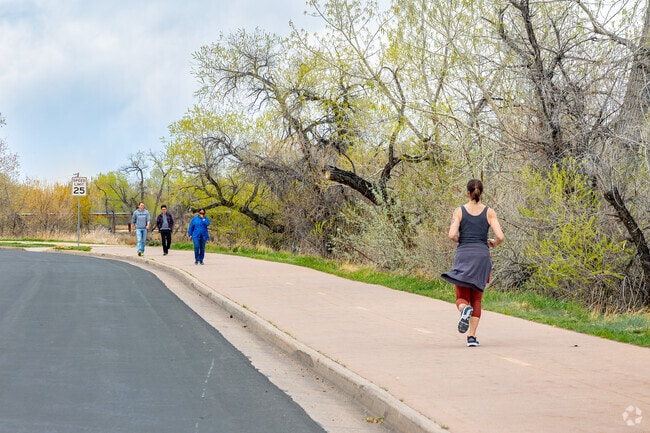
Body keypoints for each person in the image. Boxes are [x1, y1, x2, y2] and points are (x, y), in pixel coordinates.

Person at [441, 179, 504, 347]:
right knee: (476, 298)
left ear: (467, 193)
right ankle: (472, 337)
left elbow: (451, 235)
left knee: (462, 297)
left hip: (464, 255)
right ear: (481, 193)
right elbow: (501, 237)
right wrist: (493, 243)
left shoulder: (459, 211)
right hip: (482, 256)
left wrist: (463, 240)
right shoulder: (490, 212)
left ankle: (464, 310)